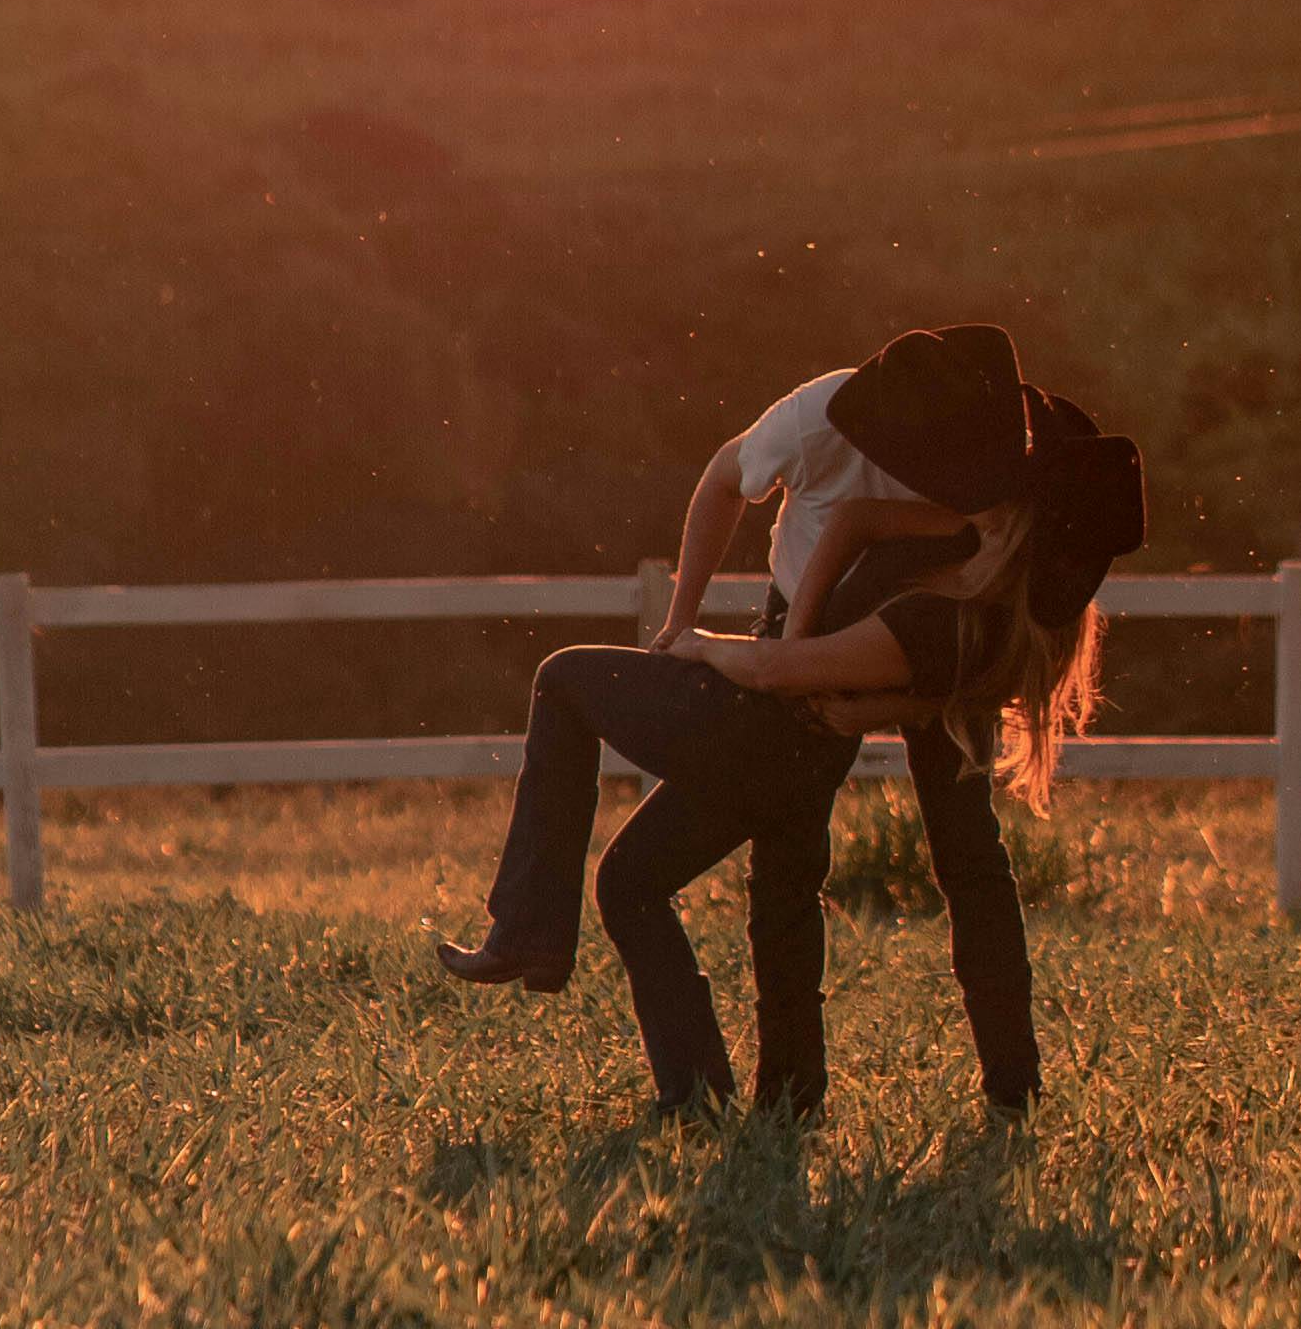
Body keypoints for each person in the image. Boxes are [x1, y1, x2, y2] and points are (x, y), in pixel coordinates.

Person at [437, 335, 1147, 1116]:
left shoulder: (968, 587)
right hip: (827, 668)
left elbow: (826, 665)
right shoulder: (921, 485)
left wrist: (715, 648)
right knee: (769, 881)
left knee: (573, 694)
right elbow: (840, 520)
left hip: (823, 677)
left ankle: (610, 1001)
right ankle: (791, 1096)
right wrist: (804, 655)